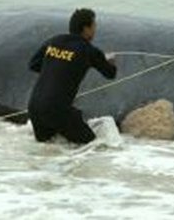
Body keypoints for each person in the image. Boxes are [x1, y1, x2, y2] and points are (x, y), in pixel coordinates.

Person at [27, 8, 117, 144]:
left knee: (49, 149)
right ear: (86, 29)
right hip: (58, 109)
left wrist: (57, 68)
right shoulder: (88, 50)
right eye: (94, 26)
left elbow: (33, 65)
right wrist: (110, 61)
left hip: (34, 108)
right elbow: (110, 73)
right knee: (92, 146)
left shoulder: (54, 41)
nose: (95, 30)